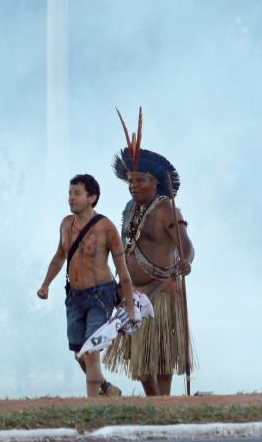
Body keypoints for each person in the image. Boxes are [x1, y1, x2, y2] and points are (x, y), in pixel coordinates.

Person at [103, 132, 194, 396]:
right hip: (132, 294)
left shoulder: (167, 209)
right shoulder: (130, 208)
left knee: (162, 354)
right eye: (130, 181)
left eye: (139, 180)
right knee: (139, 358)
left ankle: (162, 401)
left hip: (161, 293)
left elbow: (186, 244)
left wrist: (186, 262)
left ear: (154, 183)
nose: (133, 185)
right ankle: (153, 400)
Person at [37, 173, 135, 397]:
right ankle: (107, 389)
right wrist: (46, 284)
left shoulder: (106, 227)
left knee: (90, 351)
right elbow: (59, 257)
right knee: (80, 354)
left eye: (77, 194)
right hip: (74, 295)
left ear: (92, 197)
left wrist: (129, 307)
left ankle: (91, 404)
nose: (71, 198)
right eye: (70, 194)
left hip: (101, 294)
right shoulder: (65, 224)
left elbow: (122, 270)